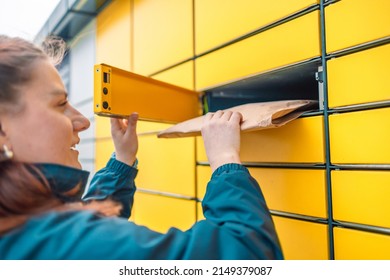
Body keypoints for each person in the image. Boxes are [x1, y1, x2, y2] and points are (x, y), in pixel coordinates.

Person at [0, 35, 283, 260]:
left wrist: (122, 161)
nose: (83, 121)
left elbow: (81, 225)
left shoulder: (24, 231)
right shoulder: (67, 249)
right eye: (60, 104)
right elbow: (250, 258)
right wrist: (225, 162)